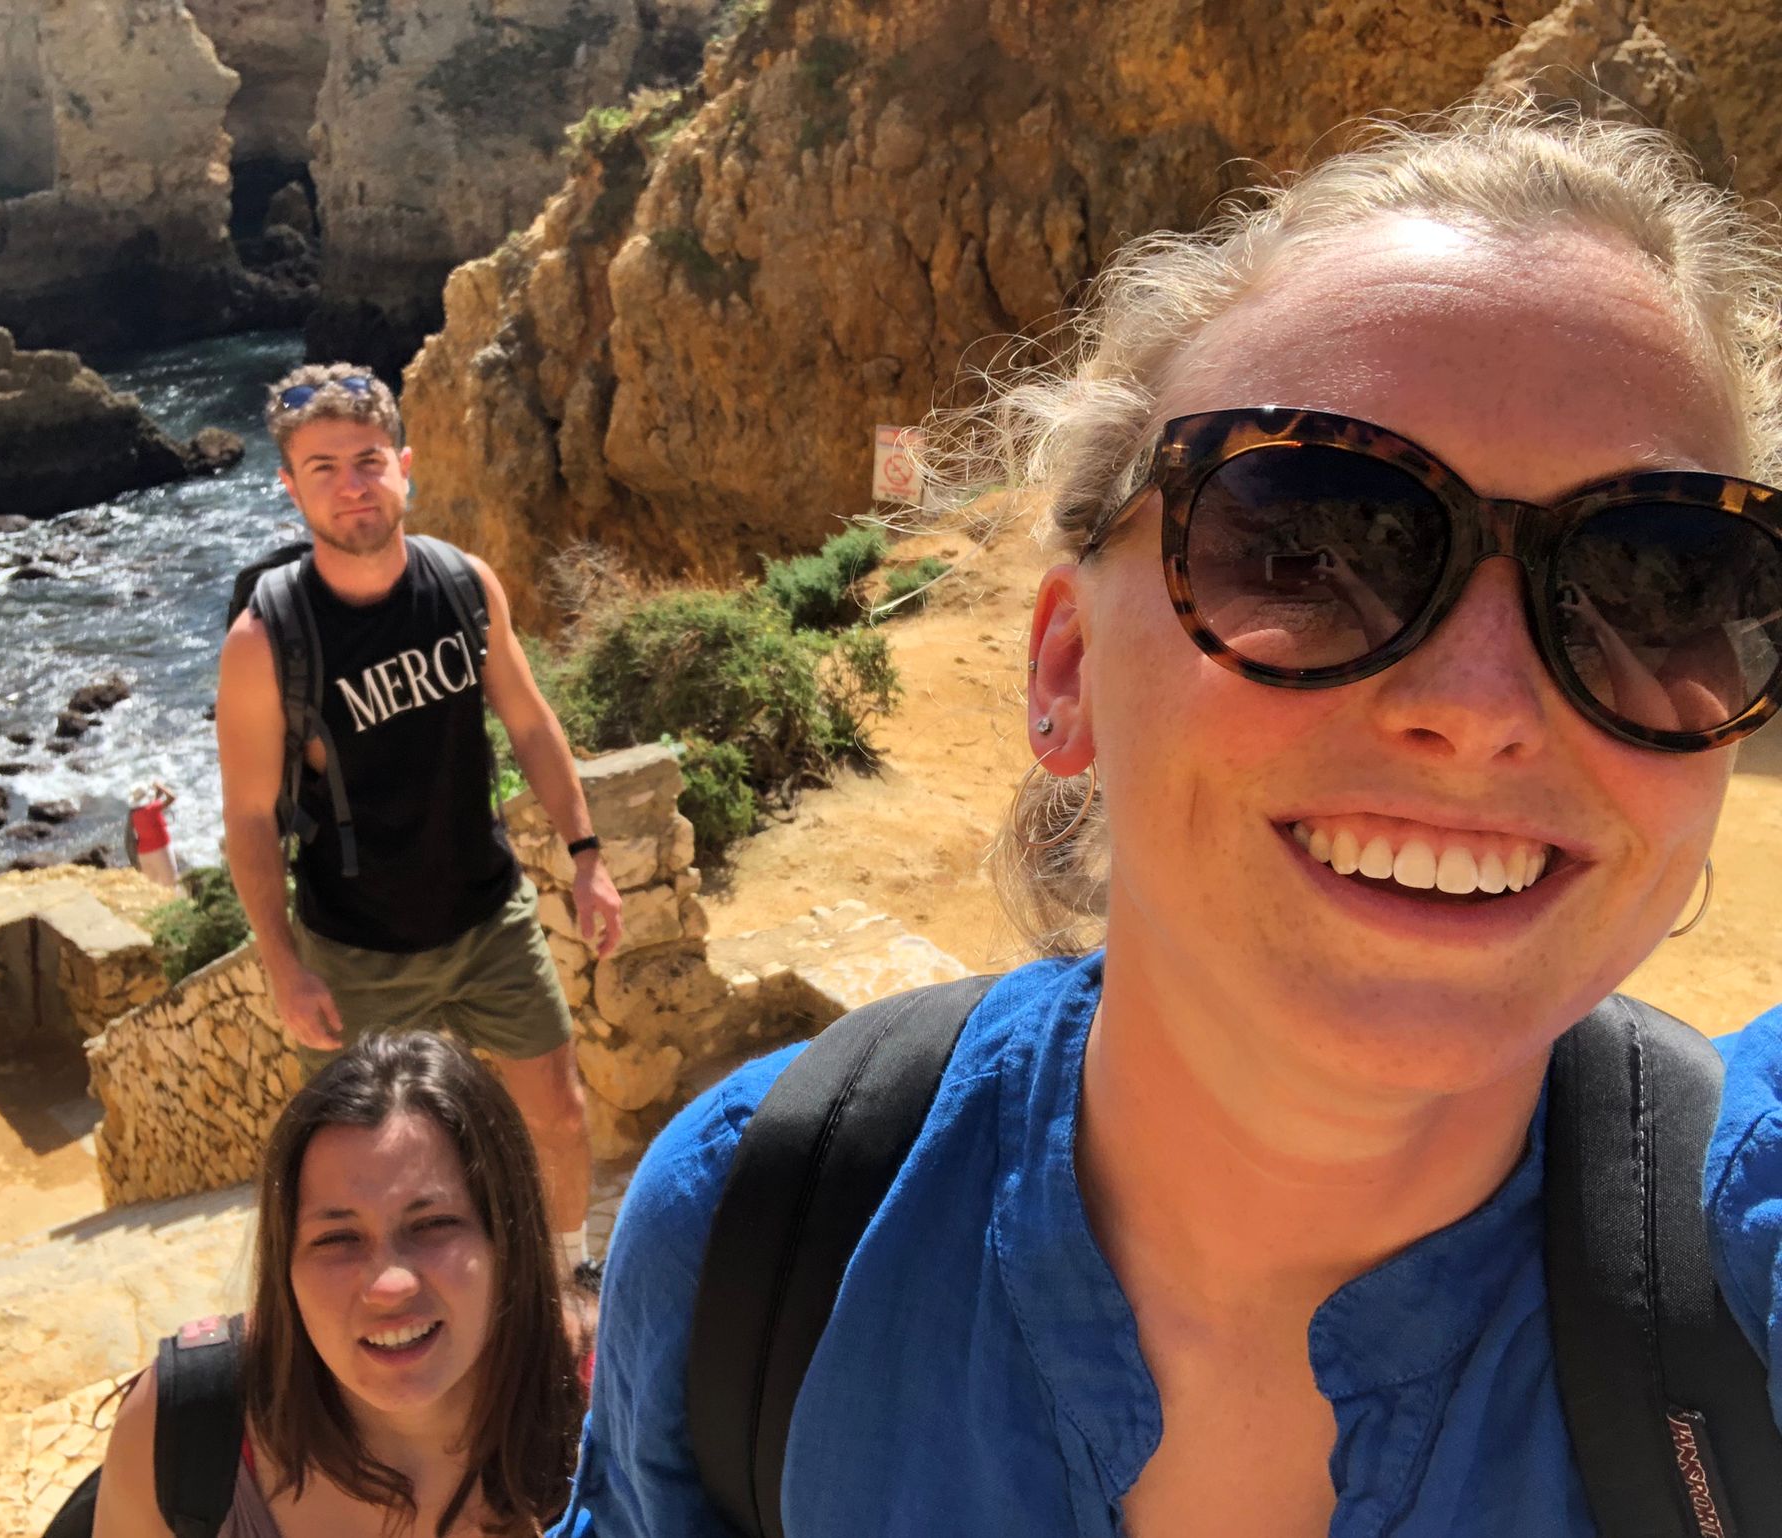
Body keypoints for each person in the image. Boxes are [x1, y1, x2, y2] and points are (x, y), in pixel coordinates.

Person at [569, 108, 1782, 1535]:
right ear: (1066, 668)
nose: (1480, 706)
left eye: (1656, 579)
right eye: (1306, 544)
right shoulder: (751, 1235)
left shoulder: (1751, 1266)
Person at [216, 363, 623, 1284]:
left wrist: (587, 856)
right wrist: (283, 966)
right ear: (290, 487)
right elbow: (247, 817)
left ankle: (568, 1278)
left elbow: (529, 722)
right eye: (323, 468)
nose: (352, 486)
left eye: (368, 461)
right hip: (358, 952)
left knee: (557, 1114)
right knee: (378, 1168)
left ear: (404, 466)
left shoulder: (463, 585)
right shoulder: (264, 642)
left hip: (488, 917)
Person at [93, 1030, 582, 1536]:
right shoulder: (179, 1428)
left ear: (508, 1242)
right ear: (285, 1267)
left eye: (432, 1224)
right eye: (337, 1238)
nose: (389, 1285)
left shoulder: (610, 1393)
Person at [126, 782, 180, 894]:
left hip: (143, 854)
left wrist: (156, 795)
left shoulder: (133, 814)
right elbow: (172, 797)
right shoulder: (153, 808)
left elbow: (150, 805)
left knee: (153, 888)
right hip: (161, 850)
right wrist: (160, 786)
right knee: (171, 885)